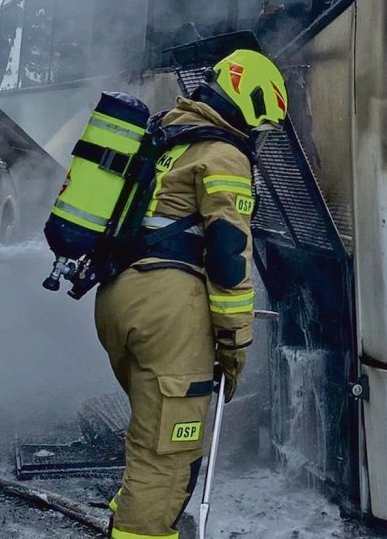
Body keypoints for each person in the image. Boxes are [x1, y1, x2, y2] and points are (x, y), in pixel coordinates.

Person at [95, 49, 287, 538]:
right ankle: (141, 528)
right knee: (167, 454)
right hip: (169, 311)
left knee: (152, 436)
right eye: (262, 127)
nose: (259, 139)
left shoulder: (167, 135)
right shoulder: (223, 154)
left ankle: (131, 515)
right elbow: (227, 258)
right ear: (250, 110)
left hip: (119, 296)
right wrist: (234, 344)